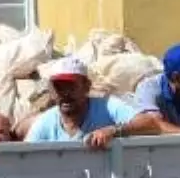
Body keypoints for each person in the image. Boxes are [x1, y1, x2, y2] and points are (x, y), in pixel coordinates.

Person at [23, 56, 158, 149]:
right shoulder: (46, 122)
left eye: (71, 87)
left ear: (87, 86)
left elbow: (149, 123)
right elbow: (24, 156)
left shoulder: (108, 107)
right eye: (59, 88)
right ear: (51, 91)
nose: (65, 94)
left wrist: (113, 131)